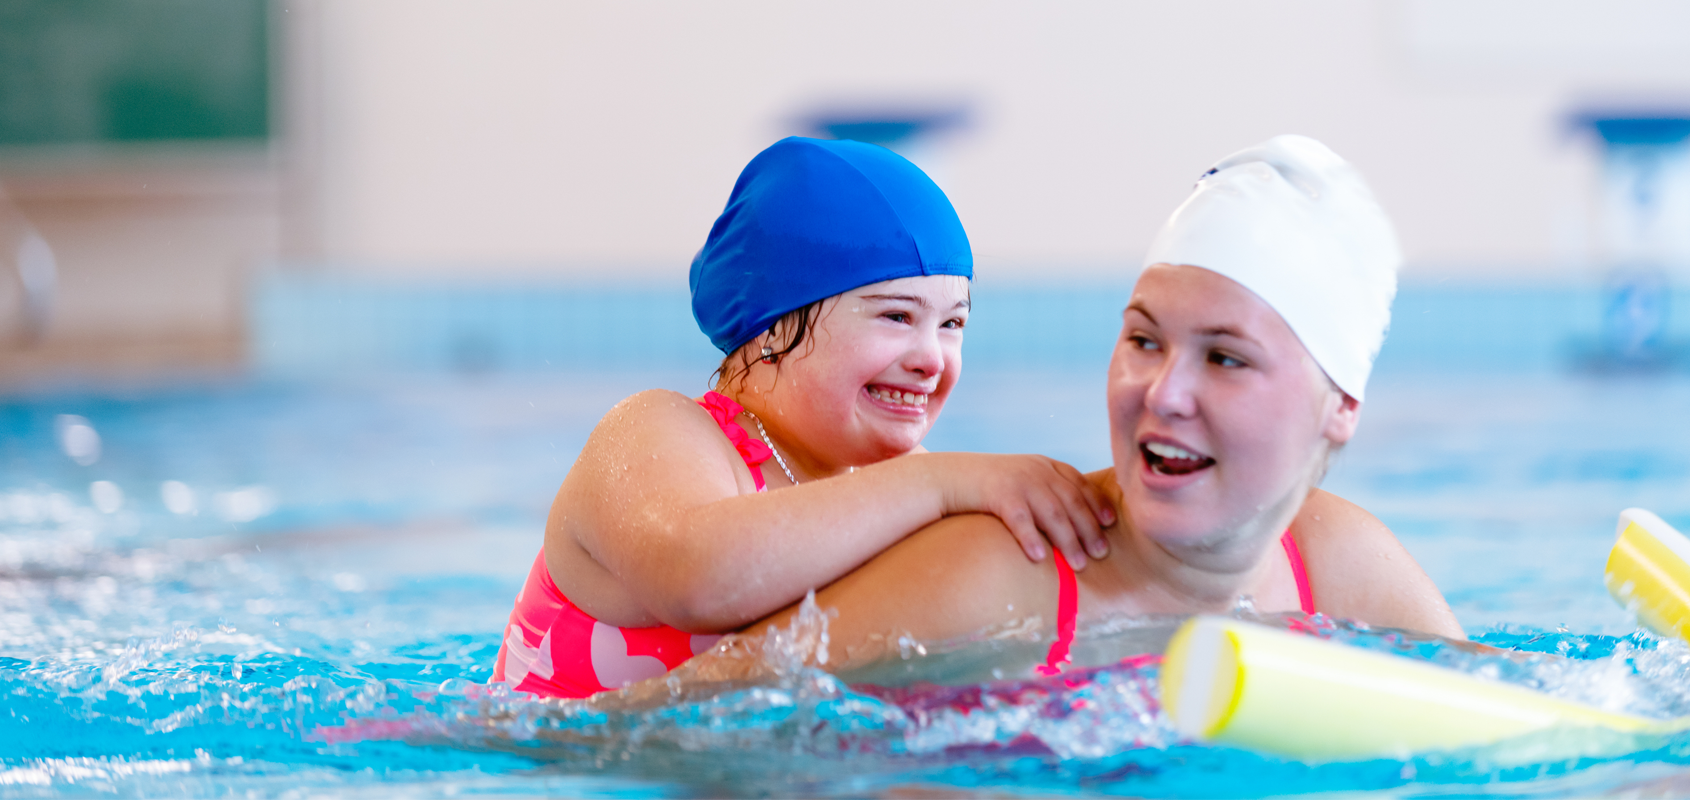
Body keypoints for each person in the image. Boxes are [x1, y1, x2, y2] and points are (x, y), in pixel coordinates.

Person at [733, 135, 1465, 677]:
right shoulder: (995, 576)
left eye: (1225, 358)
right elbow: (677, 722)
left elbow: (1531, 719)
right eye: (1145, 341)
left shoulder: (1340, 567)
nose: (1164, 393)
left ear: (1339, 407)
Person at [492, 137, 1116, 698]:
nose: (932, 359)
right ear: (769, 328)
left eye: (952, 324)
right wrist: (941, 485)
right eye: (897, 317)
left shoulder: (904, 485)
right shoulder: (658, 432)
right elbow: (697, 579)